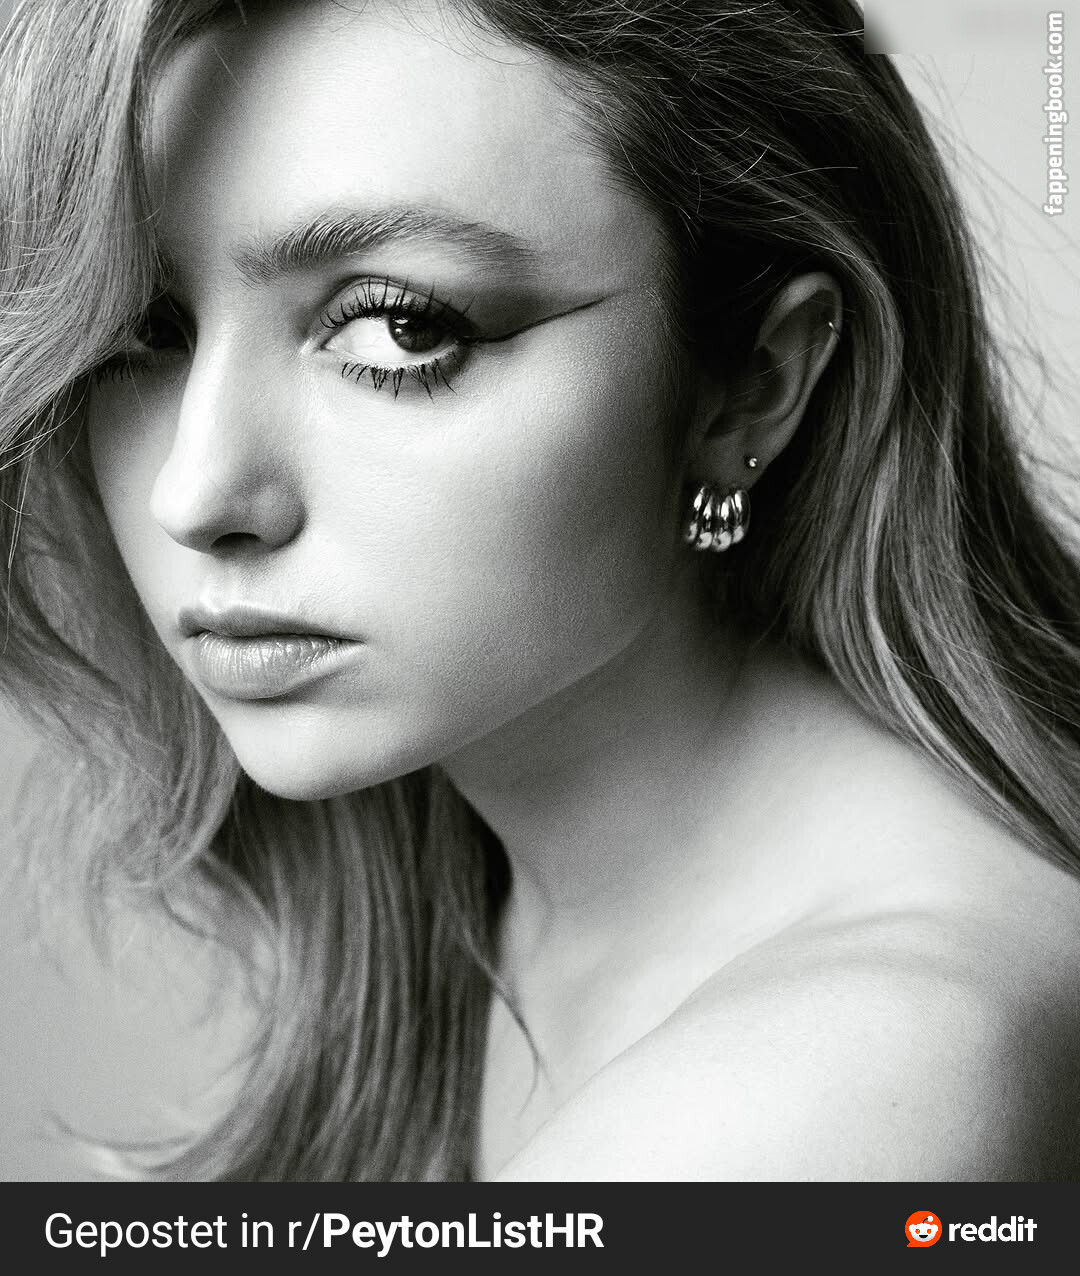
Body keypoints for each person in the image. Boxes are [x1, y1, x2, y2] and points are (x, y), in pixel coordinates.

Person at [1, 0, 1078, 1183]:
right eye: (145, 329)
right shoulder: (487, 904)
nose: (198, 493)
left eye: (402, 327)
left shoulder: (841, 1088)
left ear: (752, 382)